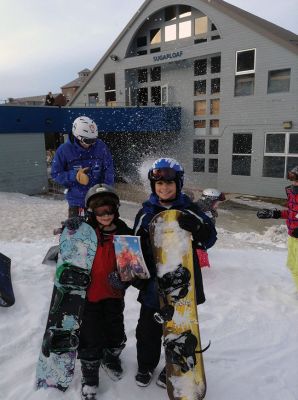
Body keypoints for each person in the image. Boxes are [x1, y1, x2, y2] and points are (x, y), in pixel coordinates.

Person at [132, 158, 217, 388]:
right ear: (153, 186)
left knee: (179, 326)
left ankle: (174, 364)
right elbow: (133, 249)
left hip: (183, 284)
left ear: (178, 184)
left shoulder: (190, 209)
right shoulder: (146, 212)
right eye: (159, 184)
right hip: (153, 284)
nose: (164, 188)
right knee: (147, 329)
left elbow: (210, 238)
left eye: (169, 184)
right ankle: (146, 365)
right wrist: (138, 279)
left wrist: (198, 227)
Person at [77, 184, 132, 400]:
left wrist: (124, 280)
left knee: (114, 327)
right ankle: (90, 376)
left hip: (113, 294)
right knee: (89, 333)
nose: (105, 216)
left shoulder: (124, 231)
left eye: (109, 211)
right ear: (92, 212)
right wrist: (70, 231)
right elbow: (68, 253)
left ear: (115, 210)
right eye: (100, 212)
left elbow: (132, 266)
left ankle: (111, 356)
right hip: (89, 295)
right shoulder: (84, 232)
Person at [51, 116, 114, 218]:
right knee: (77, 230)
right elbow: (56, 173)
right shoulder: (64, 151)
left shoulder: (101, 147)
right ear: (78, 136)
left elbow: (109, 170)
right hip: (77, 202)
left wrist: (106, 190)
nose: (91, 144)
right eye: (88, 141)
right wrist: (75, 176)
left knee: (101, 230)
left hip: (98, 199)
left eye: (94, 140)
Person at [257, 166, 298, 293]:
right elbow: (293, 212)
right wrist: (275, 214)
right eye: (292, 180)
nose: (294, 184)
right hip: (293, 236)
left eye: (296, 181)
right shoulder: (292, 193)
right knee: (293, 266)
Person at [196, 188, 226, 268]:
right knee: (204, 270)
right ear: (209, 201)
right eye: (216, 203)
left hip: (202, 248)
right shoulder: (198, 212)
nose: (217, 205)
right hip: (197, 249)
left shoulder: (208, 212)